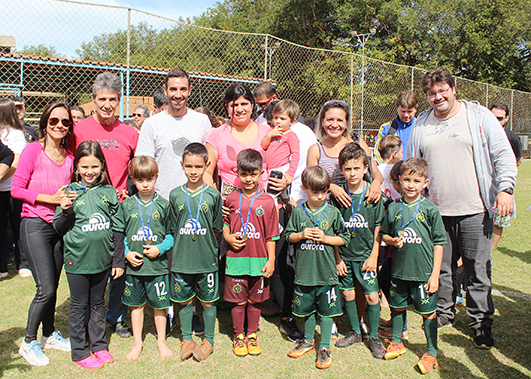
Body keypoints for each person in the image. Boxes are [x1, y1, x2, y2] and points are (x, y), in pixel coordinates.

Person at [406, 67, 517, 349]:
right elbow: (411, 163)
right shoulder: (421, 124)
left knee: (476, 269)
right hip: (436, 212)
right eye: (431, 93)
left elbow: (502, 153)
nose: (438, 97)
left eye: (443, 90)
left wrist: (505, 189)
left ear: (454, 89)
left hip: (475, 208)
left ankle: (481, 322)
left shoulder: (478, 117)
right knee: (441, 267)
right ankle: (444, 313)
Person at [307, 99, 382, 339]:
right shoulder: (315, 148)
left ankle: (358, 320)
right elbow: (311, 178)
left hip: (356, 216)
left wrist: (376, 186)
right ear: (322, 121)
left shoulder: (357, 144)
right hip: (326, 216)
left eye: (340, 119)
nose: (334, 124)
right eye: (329, 119)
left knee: (358, 271)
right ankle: (332, 317)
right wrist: (332, 188)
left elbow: (376, 174)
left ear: (347, 122)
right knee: (334, 269)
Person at [73, 72, 138, 338]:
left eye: (112, 99)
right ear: (93, 100)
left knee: (118, 262)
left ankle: (117, 316)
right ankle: (89, 313)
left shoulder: (130, 133)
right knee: (91, 263)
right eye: (102, 99)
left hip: (119, 208)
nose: (107, 105)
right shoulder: (79, 130)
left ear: (120, 100)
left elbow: (135, 170)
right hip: (87, 209)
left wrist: (129, 192)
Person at [54, 141, 125, 369]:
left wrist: (117, 259)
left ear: (102, 166)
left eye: (95, 166)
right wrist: (66, 210)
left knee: (97, 303)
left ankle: (99, 345)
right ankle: (79, 351)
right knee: (78, 305)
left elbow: (117, 228)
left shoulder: (108, 192)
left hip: (102, 260)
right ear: (77, 168)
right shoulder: (69, 192)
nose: (90, 172)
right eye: (84, 167)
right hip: (78, 260)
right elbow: (59, 227)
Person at [13, 102, 74, 366]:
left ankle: (49, 334)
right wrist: (49, 198)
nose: (60, 125)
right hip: (34, 224)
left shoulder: (70, 157)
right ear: (45, 123)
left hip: (58, 227)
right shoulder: (32, 150)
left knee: (54, 286)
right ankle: (28, 342)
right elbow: (16, 189)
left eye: (65, 122)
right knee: (46, 289)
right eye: (54, 121)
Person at [380, 157, 446, 374]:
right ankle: (397, 341)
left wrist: (435, 274)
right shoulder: (393, 207)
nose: (411, 185)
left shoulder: (430, 210)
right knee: (397, 307)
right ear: (399, 180)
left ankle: (432, 352)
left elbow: (439, 242)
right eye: (407, 180)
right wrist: (391, 240)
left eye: (416, 181)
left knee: (428, 313)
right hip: (399, 271)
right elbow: (384, 234)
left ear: (425, 183)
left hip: (423, 273)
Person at [285, 166, 350, 369]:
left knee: (327, 311)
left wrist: (327, 238)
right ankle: (308, 340)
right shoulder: (298, 211)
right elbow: (289, 236)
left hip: (326, 273)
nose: (320, 196)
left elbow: (345, 238)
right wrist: (301, 235)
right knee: (307, 310)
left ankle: (324, 347)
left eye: (324, 192)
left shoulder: (332, 213)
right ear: (305, 189)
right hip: (305, 272)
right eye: (315, 192)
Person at [168, 143, 223, 362]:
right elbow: (172, 228)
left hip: (206, 259)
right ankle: (187, 338)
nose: (193, 171)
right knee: (184, 300)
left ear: (206, 166)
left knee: (208, 301)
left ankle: (208, 340)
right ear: (182, 165)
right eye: (189, 166)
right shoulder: (175, 195)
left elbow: (217, 228)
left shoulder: (213, 195)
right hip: (182, 259)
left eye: (198, 167)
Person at [331, 143, 386, 359]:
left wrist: (374, 256)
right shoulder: (338, 196)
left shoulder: (373, 195)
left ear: (365, 168)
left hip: (365, 258)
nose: (352, 173)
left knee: (372, 297)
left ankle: (373, 336)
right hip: (344, 256)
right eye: (347, 169)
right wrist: (337, 258)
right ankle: (354, 331)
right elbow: (334, 229)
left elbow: (377, 229)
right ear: (341, 169)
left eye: (356, 168)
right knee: (347, 294)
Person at [223, 149, 278, 357]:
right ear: (237, 172)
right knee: (238, 300)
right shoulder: (230, 198)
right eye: (244, 174)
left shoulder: (267, 201)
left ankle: (252, 334)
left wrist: (271, 259)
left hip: (259, 260)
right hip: (236, 260)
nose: (248, 179)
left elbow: (271, 235)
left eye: (253, 174)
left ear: (261, 173)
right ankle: (239, 336)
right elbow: (225, 224)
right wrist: (228, 237)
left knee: (255, 301)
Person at [122, 156, 173, 361]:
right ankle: (137, 342)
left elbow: (171, 235)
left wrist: (159, 249)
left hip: (157, 267)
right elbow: (120, 235)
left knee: (160, 306)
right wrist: (126, 252)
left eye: (149, 179)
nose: (145, 184)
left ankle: (161, 341)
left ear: (156, 178)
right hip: (135, 268)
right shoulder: (126, 205)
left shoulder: (164, 205)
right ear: (133, 179)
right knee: (136, 306)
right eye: (140, 180)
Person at [136, 68, 212, 200]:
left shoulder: (202, 121)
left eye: (183, 89)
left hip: (196, 200)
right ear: (165, 90)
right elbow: (143, 166)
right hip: (163, 200)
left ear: (190, 90)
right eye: (173, 89)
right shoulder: (151, 124)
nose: (178, 95)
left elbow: (210, 164)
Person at [205, 83, 270, 195]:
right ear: (227, 107)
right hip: (231, 205)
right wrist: (217, 202)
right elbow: (206, 173)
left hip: (264, 201)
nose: (240, 109)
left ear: (252, 104)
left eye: (244, 104)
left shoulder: (268, 132)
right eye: (234, 105)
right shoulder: (216, 135)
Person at [489, 102, 522, 256]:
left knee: (499, 221)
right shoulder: (482, 133)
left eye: (500, 118)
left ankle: (489, 254)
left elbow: (517, 161)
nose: (496, 121)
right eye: (493, 117)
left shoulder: (513, 138)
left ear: (507, 118)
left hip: (502, 187)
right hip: (484, 186)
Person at [0, 99, 28, 278]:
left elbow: (16, 162)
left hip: (12, 189)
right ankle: (2, 266)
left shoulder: (16, 134)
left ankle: (23, 263)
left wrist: (1, 177)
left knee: (18, 227)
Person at [260, 99, 300, 204]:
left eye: (282, 119)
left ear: (292, 121)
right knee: (274, 196)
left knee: (273, 196)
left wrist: (290, 173)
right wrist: (269, 135)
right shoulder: (271, 131)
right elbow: (263, 146)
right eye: (276, 117)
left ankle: (279, 218)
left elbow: (296, 155)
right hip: (269, 169)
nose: (278, 121)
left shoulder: (291, 136)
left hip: (281, 168)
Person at [373, 91, 417, 165]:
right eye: (403, 111)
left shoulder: (421, 127)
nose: (406, 115)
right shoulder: (386, 128)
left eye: (410, 111)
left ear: (415, 109)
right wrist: (387, 169)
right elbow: (377, 153)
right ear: (397, 108)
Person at [377, 135, 403, 200]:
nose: (402, 155)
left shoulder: (376, 170)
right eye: (401, 152)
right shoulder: (400, 171)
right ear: (394, 154)